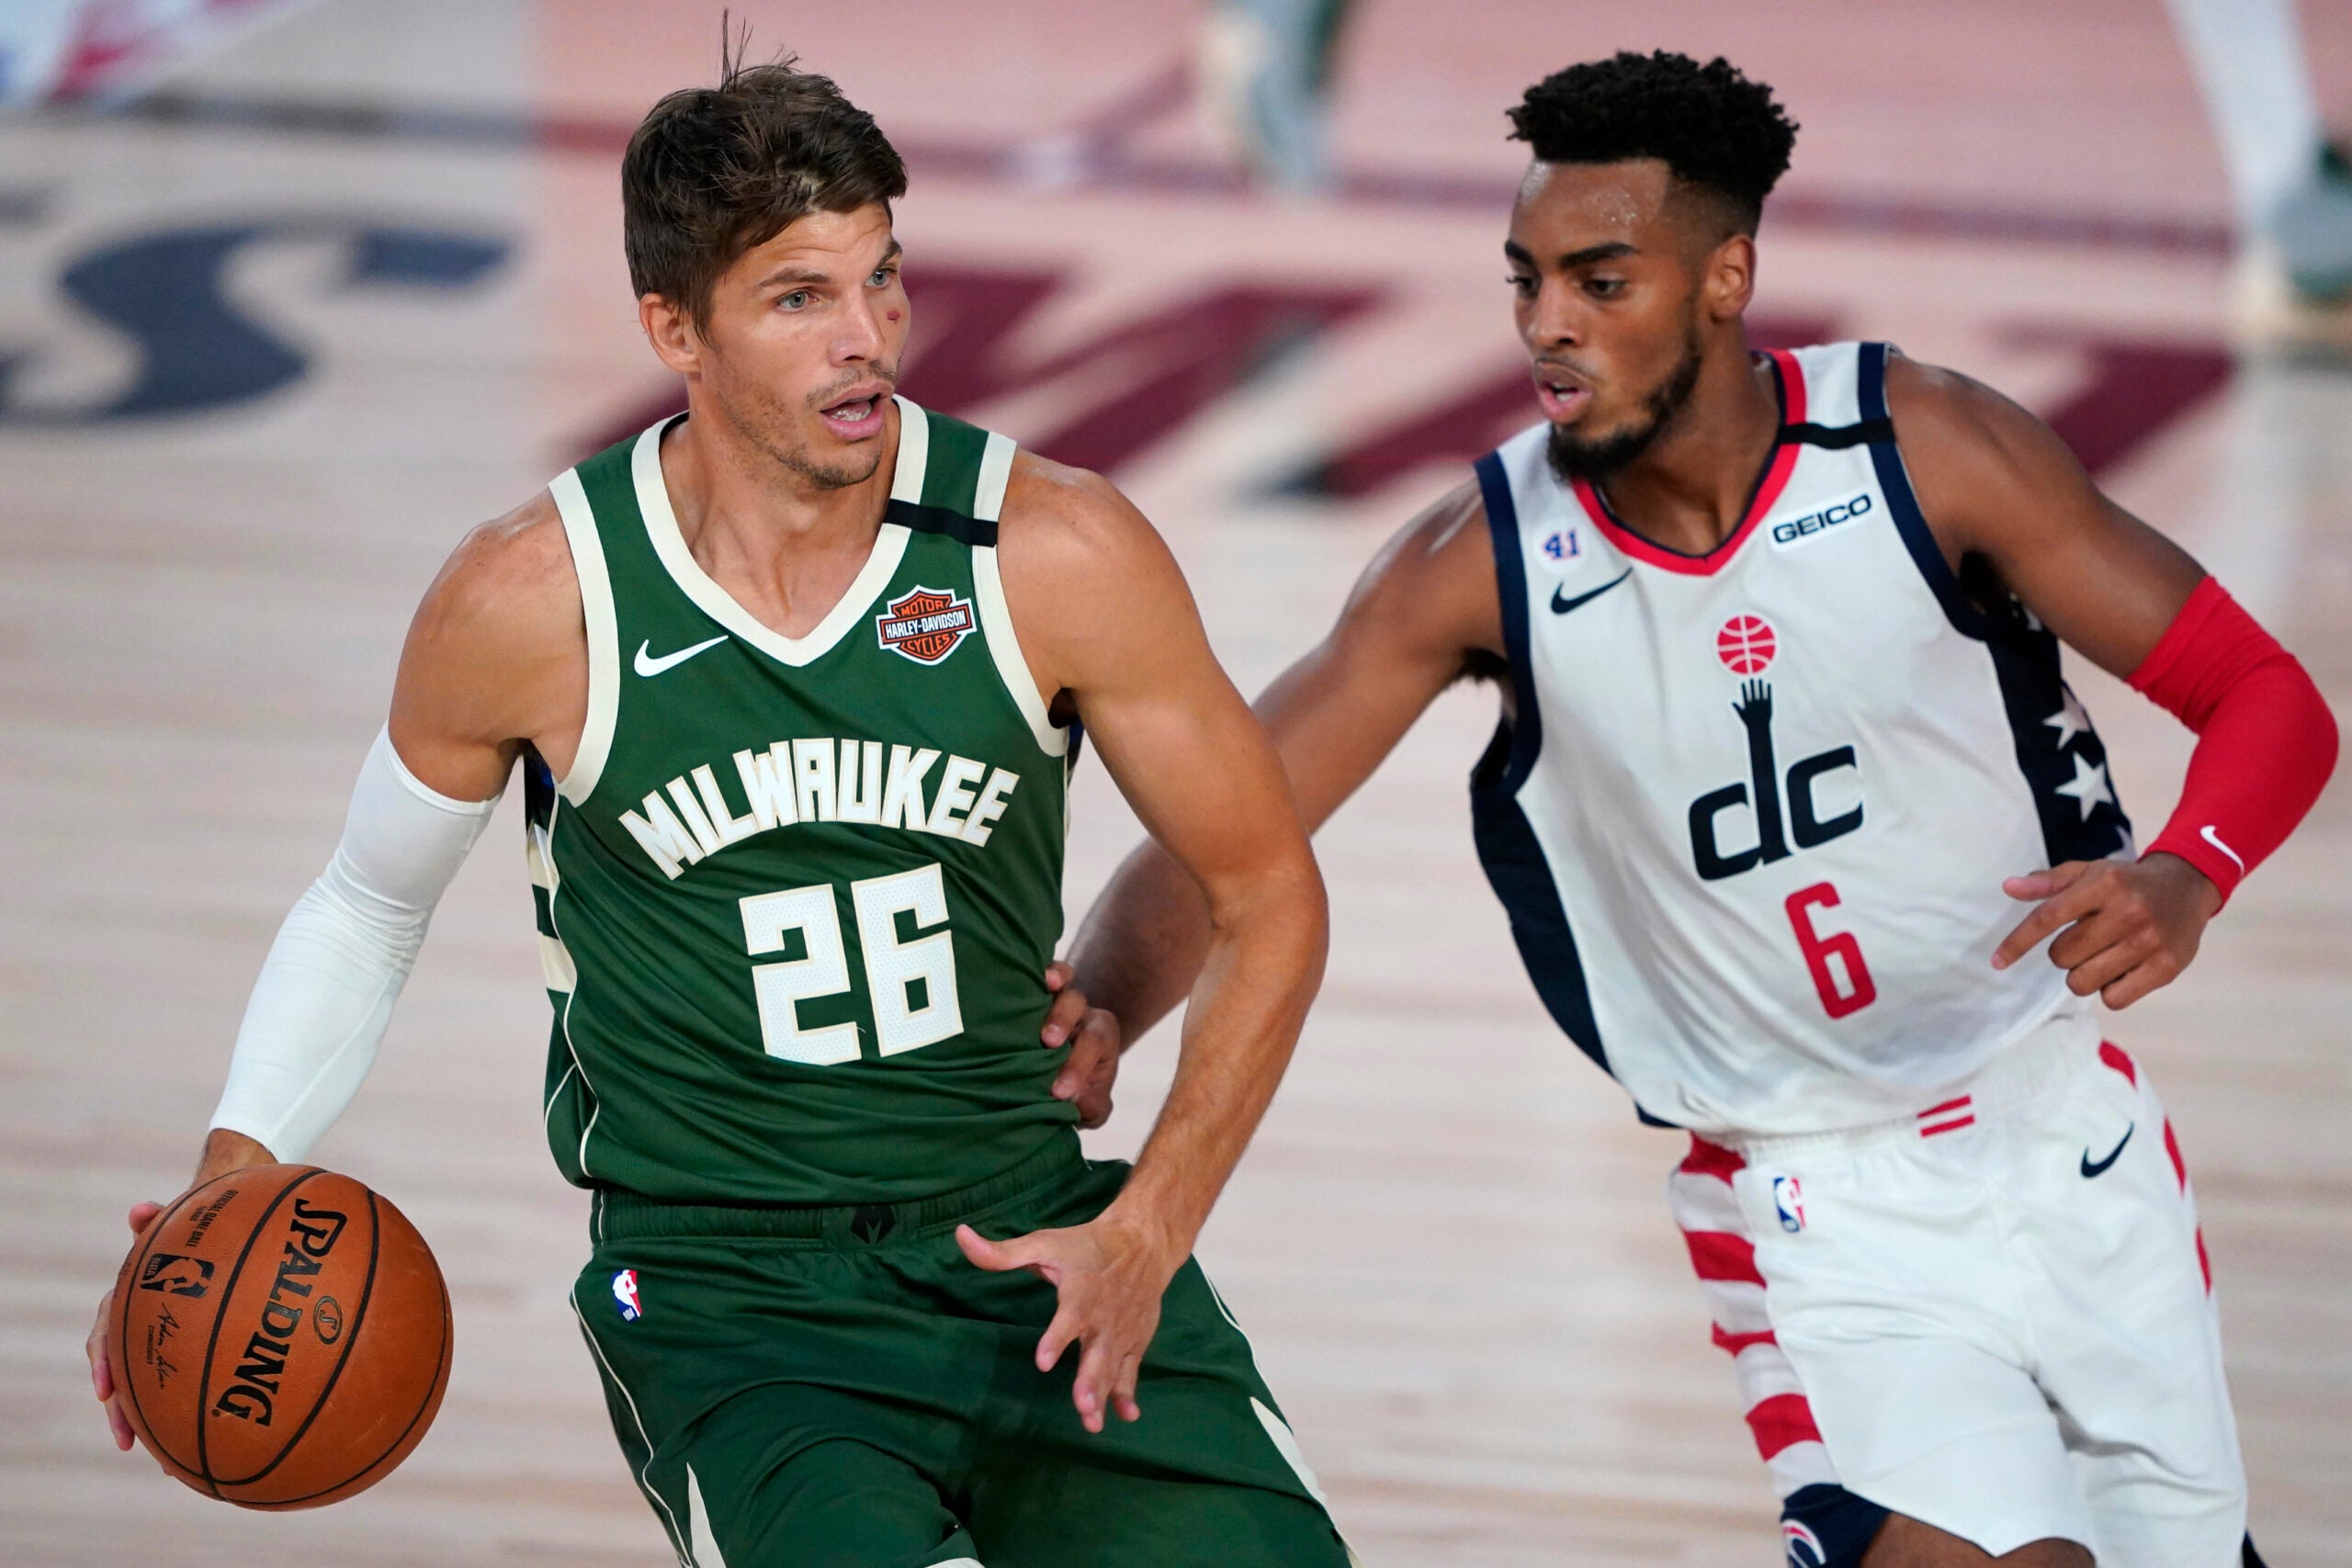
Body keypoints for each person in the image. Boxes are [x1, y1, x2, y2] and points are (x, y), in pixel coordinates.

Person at [1054, 51, 2336, 1568]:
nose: (1548, 324)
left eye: (1601, 282)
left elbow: (2266, 694)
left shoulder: (1926, 447)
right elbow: (1231, 832)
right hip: (1804, 1200)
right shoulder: (1476, 564)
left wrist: (2191, 870)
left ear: (1725, 279)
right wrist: (1102, 1010)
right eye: (1528, 279)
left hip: (2062, 1125)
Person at [85, 58, 1351, 1568]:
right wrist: (239, 1157)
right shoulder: (533, 601)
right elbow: (370, 902)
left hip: (1031, 1233)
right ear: (674, 330)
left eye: (882, 276)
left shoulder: (1053, 550)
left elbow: (1267, 893)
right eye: (799, 297)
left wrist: (1150, 1226)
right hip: (727, 1302)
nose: (867, 337)